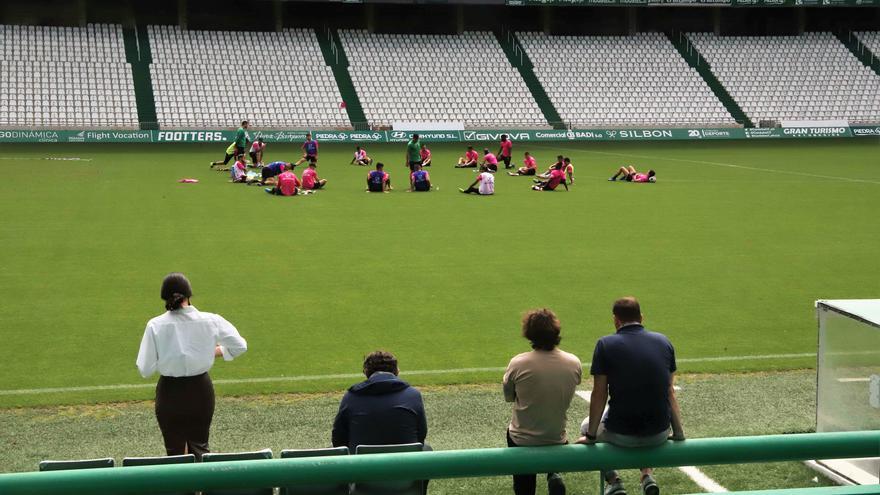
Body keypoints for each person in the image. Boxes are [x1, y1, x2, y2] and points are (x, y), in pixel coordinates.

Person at [577, 297, 685, 495]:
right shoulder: (664, 341)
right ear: (641, 317)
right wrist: (678, 433)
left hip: (621, 434)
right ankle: (646, 474)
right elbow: (669, 392)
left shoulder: (605, 344)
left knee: (585, 426)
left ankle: (614, 480)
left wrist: (591, 436)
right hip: (659, 433)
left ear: (615, 320)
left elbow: (599, 393)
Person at [136, 273, 248, 460]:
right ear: (188, 296)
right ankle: (205, 488)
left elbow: (145, 369)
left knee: (175, 453)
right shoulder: (211, 320)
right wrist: (209, 351)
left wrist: (168, 355)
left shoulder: (155, 325)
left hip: (169, 392)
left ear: (165, 298)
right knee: (201, 447)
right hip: (200, 390)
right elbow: (240, 346)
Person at [504, 308, 582, 495]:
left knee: (524, 486)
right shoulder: (574, 362)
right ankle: (553, 472)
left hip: (521, 440)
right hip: (556, 438)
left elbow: (508, 397)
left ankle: (527, 487)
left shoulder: (518, 363)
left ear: (529, 333)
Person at [332, 351, 431, 495]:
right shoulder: (413, 394)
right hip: (404, 475)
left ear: (366, 372)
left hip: (363, 477)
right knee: (427, 450)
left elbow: (338, 441)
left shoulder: (351, 396)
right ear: (396, 371)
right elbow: (421, 436)